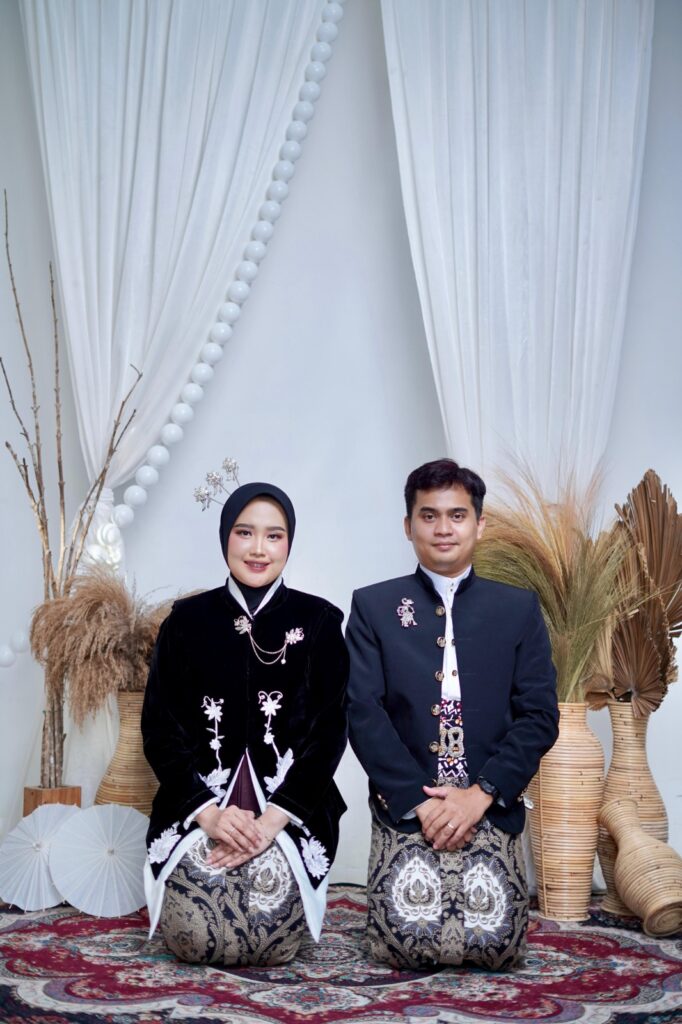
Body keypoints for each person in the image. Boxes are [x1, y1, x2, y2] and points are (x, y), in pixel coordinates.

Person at [346, 458, 559, 970]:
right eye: (429, 515)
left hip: (489, 802)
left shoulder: (518, 608)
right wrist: (420, 803)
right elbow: (362, 711)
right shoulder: (374, 606)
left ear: (479, 525)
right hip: (408, 807)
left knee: (496, 946)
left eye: (457, 515)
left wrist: (481, 794)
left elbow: (538, 714)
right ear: (408, 526)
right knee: (401, 945)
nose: (443, 528)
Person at [142, 482, 349, 967]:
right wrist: (209, 815)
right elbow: (159, 727)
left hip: (290, 809)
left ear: (289, 542)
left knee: (269, 938)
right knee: (195, 938)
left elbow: (329, 732)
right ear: (225, 537)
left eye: (274, 536)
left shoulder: (319, 621)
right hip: (197, 805)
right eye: (244, 532)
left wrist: (272, 820)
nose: (259, 549)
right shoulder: (185, 621)